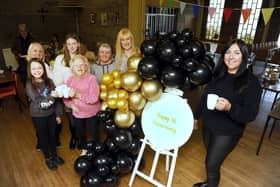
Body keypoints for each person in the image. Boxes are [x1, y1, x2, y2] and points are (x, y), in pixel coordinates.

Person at [193, 39, 262, 187]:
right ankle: (208, 183)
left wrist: (230, 108)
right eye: (228, 52)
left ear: (244, 57)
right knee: (212, 161)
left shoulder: (251, 82)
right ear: (223, 55)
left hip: (228, 132)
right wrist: (196, 117)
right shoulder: (217, 74)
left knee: (211, 164)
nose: (231, 56)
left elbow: (250, 114)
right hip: (209, 125)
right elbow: (205, 97)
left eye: (236, 53)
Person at [25, 58, 64, 170]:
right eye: (34, 68)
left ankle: (55, 155)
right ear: (30, 70)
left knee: (53, 135)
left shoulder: (49, 82)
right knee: (43, 137)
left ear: (43, 68)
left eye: (39, 68)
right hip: (38, 116)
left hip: (51, 114)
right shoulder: (29, 85)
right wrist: (52, 96)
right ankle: (48, 158)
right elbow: (39, 103)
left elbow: (56, 101)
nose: (37, 70)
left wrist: (58, 114)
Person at [26, 42, 62, 150]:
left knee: (53, 127)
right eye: (35, 51)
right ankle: (44, 145)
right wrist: (51, 97)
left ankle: (53, 143)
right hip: (39, 104)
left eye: (40, 51)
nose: (38, 53)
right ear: (29, 53)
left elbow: (51, 84)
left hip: (50, 104)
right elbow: (35, 96)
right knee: (41, 129)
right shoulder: (27, 70)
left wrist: (58, 113)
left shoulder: (45, 66)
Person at [63, 55, 100, 155]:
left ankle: (98, 149)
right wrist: (71, 105)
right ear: (72, 68)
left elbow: (94, 98)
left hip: (92, 112)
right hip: (77, 112)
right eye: (76, 66)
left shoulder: (92, 79)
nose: (79, 67)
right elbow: (66, 98)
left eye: (81, 64)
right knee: (81, 133)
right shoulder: (70, 80)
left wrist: (77, 94)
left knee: (94, 133)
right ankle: (84, 149)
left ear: (86, 66)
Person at [52, 33, 81, 150]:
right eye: (69, 44)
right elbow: (56, 78)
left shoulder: (82, 57)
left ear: (78, 44)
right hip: (67, 94)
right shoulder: (60, 59)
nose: (71, 46)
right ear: (65, 45)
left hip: (79, 94)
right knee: (72, 120)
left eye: (74, 43)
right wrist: (64, 90)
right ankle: (74, 137)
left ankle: (80, 138)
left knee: (80, 119)